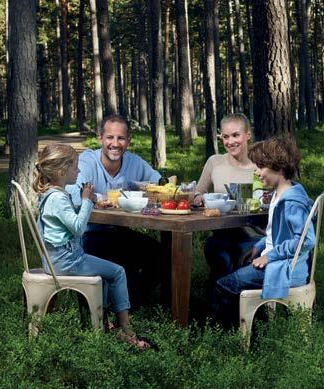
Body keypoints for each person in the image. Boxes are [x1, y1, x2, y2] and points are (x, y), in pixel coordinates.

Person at [33, 143, 150, 349]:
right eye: (75, 167)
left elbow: (65, 218)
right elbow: (78, 227)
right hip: (67, 262)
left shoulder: (51, 194)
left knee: (103, 275)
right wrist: (86, 201)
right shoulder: (58, 198)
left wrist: (88, 201)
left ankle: (103, 325)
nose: (78, 171)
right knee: (117, 272)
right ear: (61, 171)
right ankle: (126, 329)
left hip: (55, 259)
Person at [210, 135, 317, 328]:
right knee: (233, 268)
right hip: (280, 263)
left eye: (261, 167)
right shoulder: (281, 193)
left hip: (286, 270)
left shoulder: (292, 203)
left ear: (279, 167)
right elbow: (275, 234)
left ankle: (223, 337)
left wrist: (270, 257)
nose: (257, 172)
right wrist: (259, 246)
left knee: (223, 285)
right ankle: (247, 325)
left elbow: (307, 240)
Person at [67, 114, 169, 308]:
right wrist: (98, 198)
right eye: (110, 138)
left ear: (128, 141)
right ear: (100, 139)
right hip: (87, 235)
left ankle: (129, 305)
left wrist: (173, 189)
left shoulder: (134, 162)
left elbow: (159, 182)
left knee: (161, 255)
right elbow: (73, 193)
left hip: (118, 232)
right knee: (117, 258)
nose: (115, 144)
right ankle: (107, 306)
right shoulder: (88, 161)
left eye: (121, 138)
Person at [191, 114, 263, 286]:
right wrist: (198, 197)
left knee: (239, 262)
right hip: (221, 235)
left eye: (235, 135)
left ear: (248, 134)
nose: (230, 142)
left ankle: (239, 305)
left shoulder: (260, 166)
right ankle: (217, 306)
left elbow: (269, 203)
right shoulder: (215, 162)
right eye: (225, 136)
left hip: (254, 238)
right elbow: (196, 193)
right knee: (218, 256)